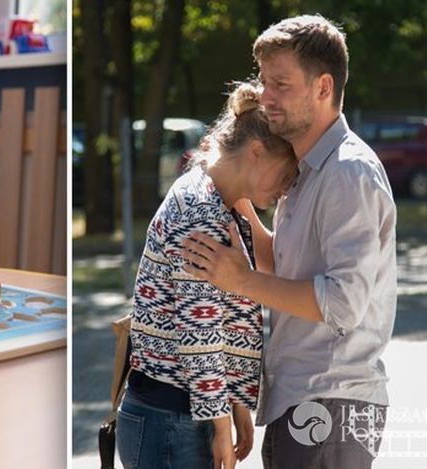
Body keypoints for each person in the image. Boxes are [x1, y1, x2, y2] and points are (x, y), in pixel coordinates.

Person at [181, 15, 396, 468]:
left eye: (280, 84)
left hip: (331, 404)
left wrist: (240, 280)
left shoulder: (347, 172)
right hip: (305, 399)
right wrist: (238, 197)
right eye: (263, 81)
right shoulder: (308, 169)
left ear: (322, 88)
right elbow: (288, 267)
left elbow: (342, 303)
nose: (265, 96)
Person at [116, 82, 299, 469]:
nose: (286, 189)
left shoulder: (219, 203)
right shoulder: (200, 213)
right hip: (169, 419)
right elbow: (198, 335)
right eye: (285, 174)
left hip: (181, 413)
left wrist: (237, 405)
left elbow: (221, 317)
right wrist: (221, 426)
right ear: (256, 153)